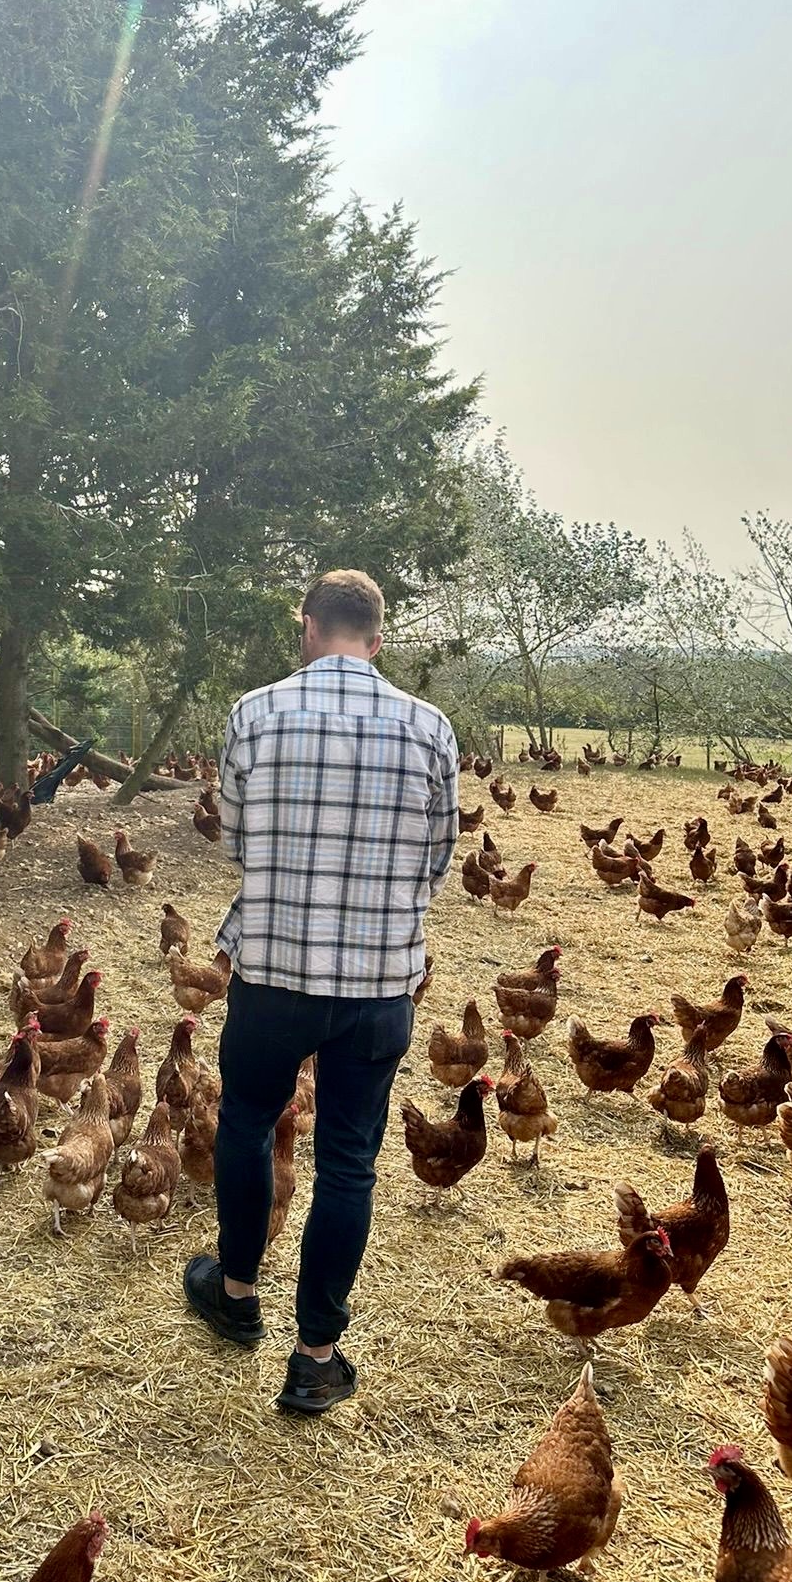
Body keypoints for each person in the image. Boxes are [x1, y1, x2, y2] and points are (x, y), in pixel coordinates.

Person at [182, 569, 460, 1415]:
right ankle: (315, 1357)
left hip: (272, 967)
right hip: (376, 984)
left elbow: (234, 844)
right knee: (347, 1159)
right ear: (377, 642)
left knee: (246, 1121)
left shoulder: (254, 715)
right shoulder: (430, 728)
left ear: (307, 629)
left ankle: (233, 1296)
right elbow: (438, 863)